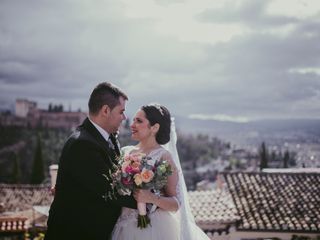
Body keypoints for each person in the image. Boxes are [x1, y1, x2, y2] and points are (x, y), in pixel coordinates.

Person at [45, 82, 136, 240]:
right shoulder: (82, 144)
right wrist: (150, 200)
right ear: (106, 110)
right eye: (121, 111)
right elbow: (109, 192)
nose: (124, 117)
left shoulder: (110, 138)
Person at [112, 103, 210, 240]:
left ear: (155, 128)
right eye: (133, 120)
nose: (132, 125)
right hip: (123, 226)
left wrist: (151, 198)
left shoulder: (164, 156)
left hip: (154, 229)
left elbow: (176, 204)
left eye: (139, 121)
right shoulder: (125, 152)